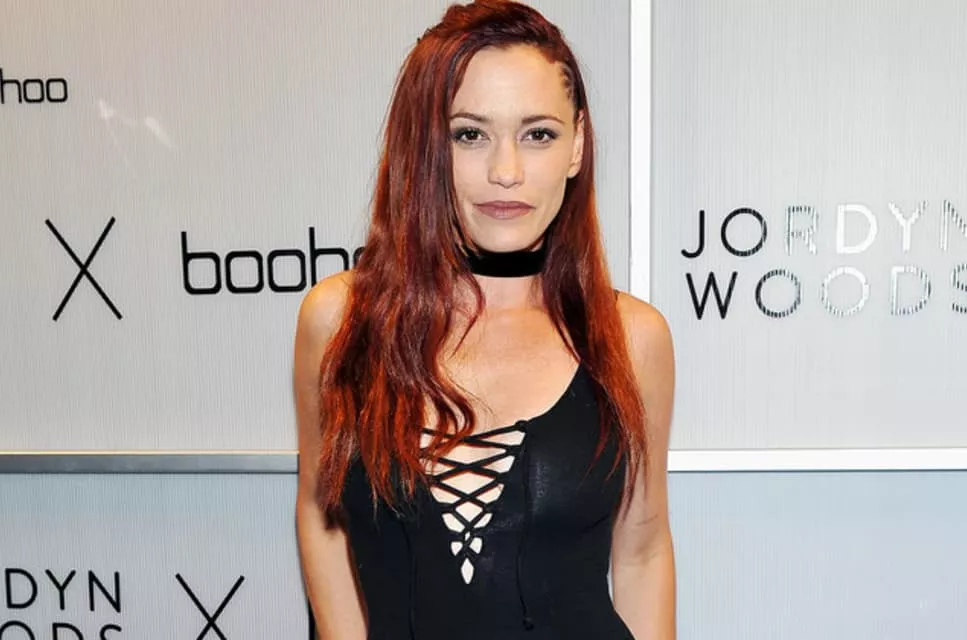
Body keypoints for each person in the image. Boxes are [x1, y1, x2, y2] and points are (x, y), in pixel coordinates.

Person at [293, 1, 676, 638]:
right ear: (425, 146)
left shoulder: (632, 338)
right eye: (470, 134)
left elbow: (642, 550)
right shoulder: (339, 321)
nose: (506, 171)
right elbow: (321, 516)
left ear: (577, 145)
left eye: (538, 134)